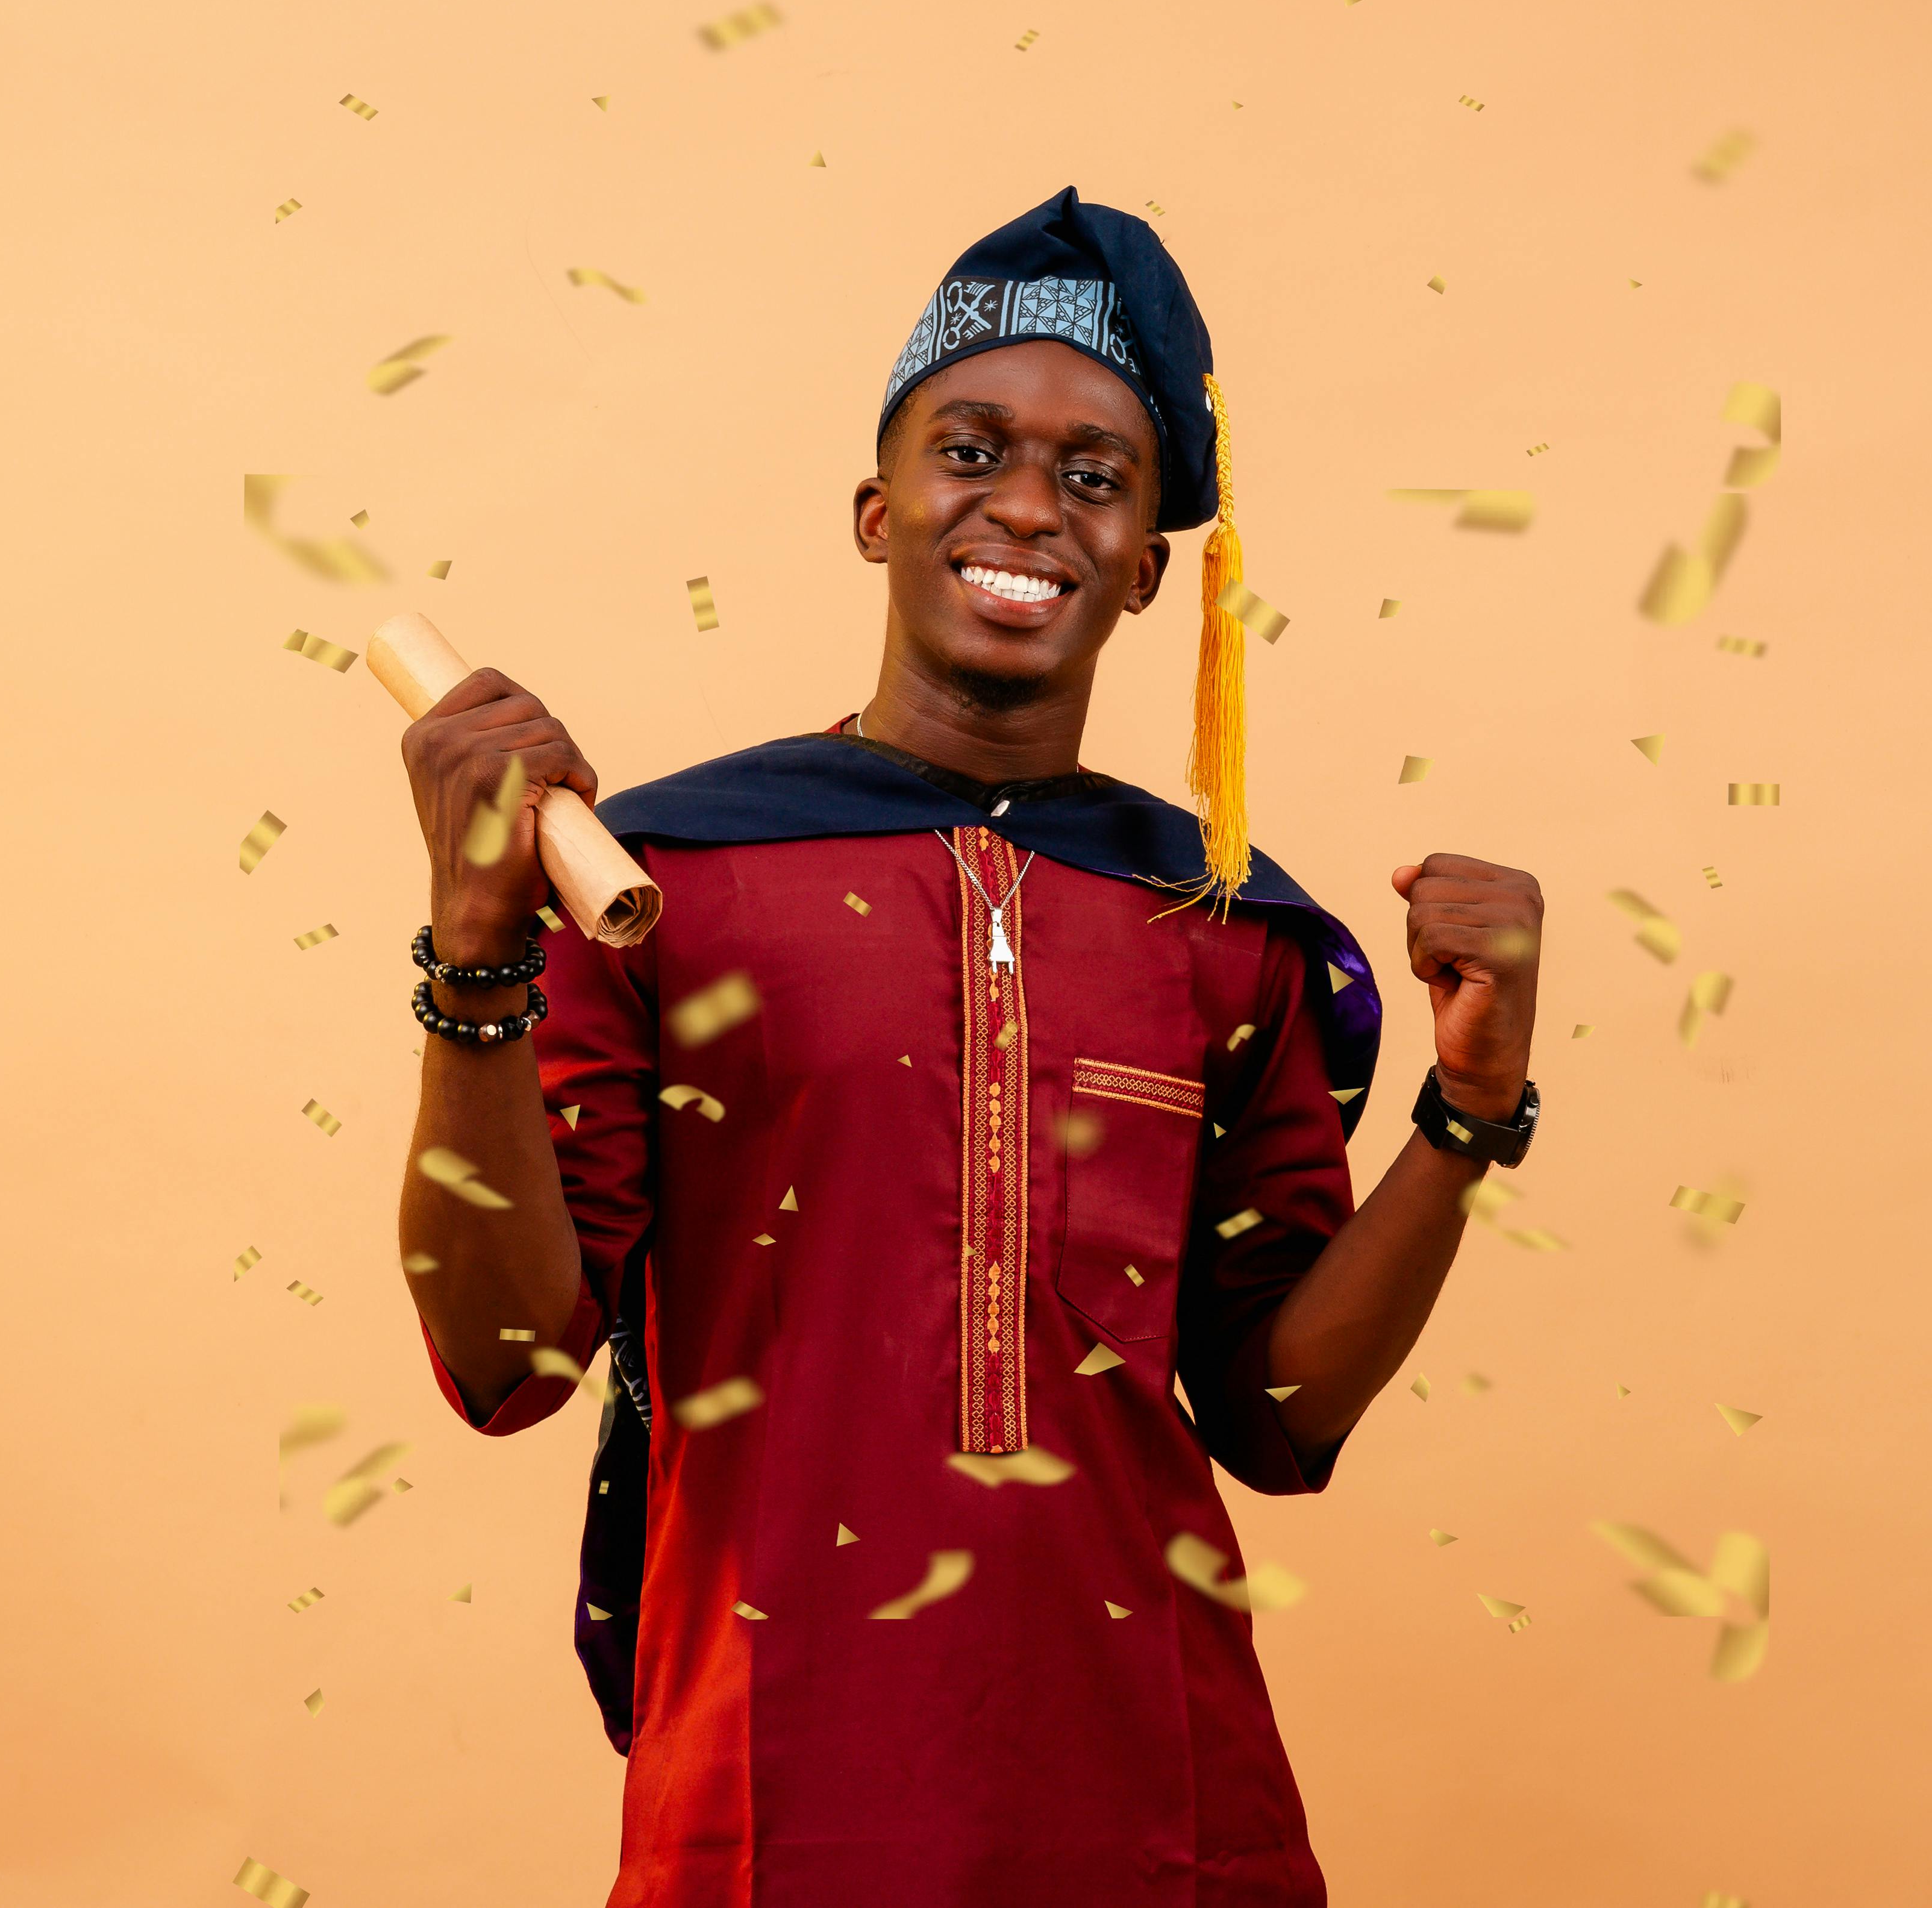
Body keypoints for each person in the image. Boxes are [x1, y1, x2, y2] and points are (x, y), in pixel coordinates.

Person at [395, 188, 1543, 1908]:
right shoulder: (667, 884)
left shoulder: (1225, 934)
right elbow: (506, 1362)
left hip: (1164, 1810)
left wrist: (1468, 1112)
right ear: (877, 511)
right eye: (972, 449)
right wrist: (479, 951)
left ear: (1151, 566)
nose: (1028, 505)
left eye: (1097, 477)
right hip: (769, 1807)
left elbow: (1278, 1418)